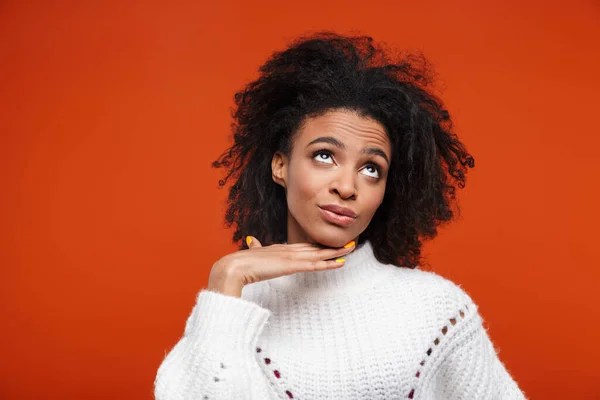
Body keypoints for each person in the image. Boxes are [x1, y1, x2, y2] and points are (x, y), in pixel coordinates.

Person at [154, 31, 527, 399]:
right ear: (280, 166)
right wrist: (227, 279)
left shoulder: (436, 310)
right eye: (324, 155)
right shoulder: (232, 309)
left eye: (371, 169)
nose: (347, 186)